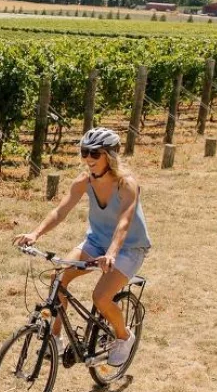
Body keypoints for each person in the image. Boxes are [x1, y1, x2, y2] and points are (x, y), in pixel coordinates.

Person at [14, 128, 151, 366]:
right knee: (59, 278)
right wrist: (35, 233)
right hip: (97, 241)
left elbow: (124, 221)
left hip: (128, 247)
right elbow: (60, 211)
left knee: (100, 297)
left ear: (110, 155)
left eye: (94, 154)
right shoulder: (84, 182)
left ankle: (124, 336)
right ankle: (54, 338)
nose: (88, 159)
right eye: (84, 152)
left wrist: (112, 253)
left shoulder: (126, 184)